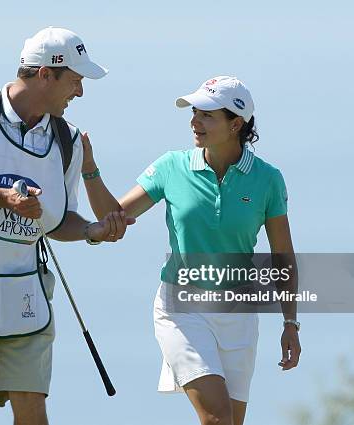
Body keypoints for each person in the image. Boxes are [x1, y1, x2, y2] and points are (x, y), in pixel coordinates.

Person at [0, 27, 132, 425]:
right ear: (46, 74)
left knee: (33, 412)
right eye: (76, 81)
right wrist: (2, 198)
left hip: (27, 306)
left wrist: (88, 232)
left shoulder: (67, 140)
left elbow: (58, 220)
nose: (79, 93)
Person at [79, 76, 301, 425]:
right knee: (217, 418)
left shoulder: (268, 179)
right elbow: (113, 219)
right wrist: (89, 168)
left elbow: (283, 256)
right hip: (181, 308)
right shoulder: (172, 166)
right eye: (195, 112)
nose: (194, 121)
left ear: (236, 124)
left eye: (207, 115)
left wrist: (291, 323)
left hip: (239, 312)